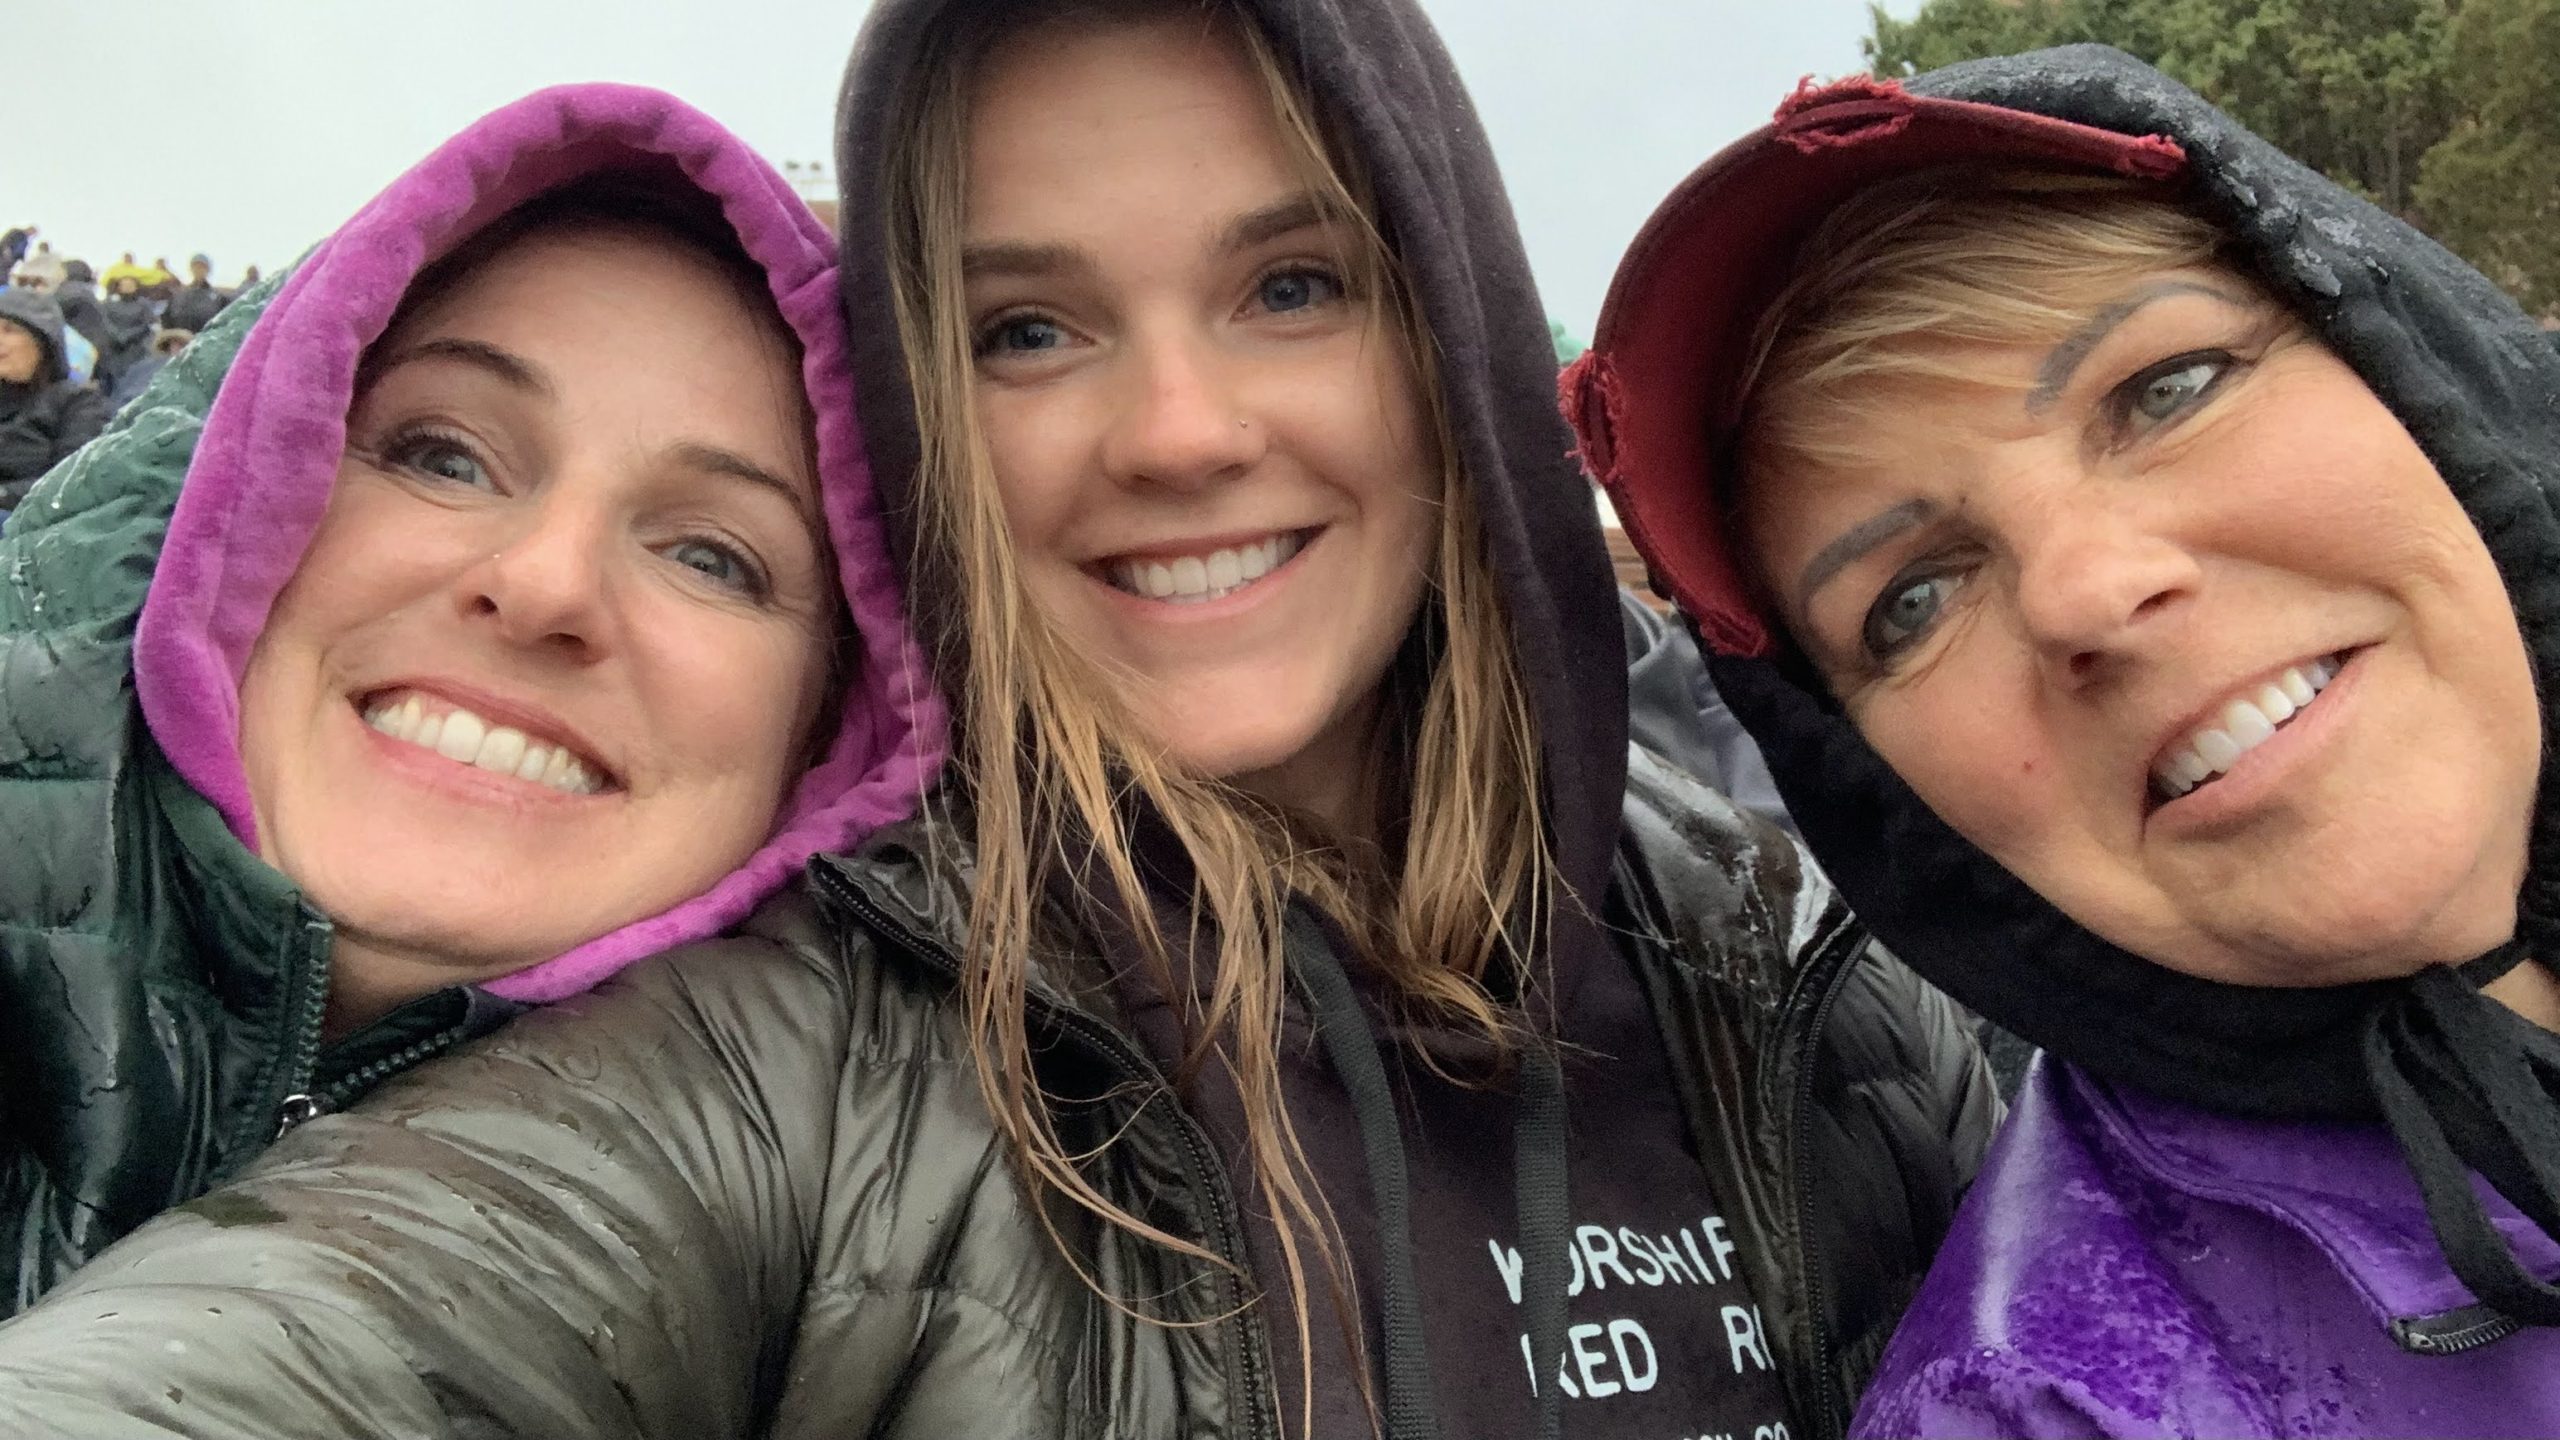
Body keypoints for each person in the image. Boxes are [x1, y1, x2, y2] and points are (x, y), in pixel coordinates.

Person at [0, 2, 1989, 1437]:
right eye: (1025, 329)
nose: (1178, 433)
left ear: (1449, 319)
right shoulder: (802, 1055)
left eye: (1291, 285)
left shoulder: (1817, 968)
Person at [1567, 47, 2560, 1438]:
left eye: (2166, 390)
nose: (2088, 592)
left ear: (2410, 363)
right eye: (1912, 600)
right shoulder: (2042, 1407)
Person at [0, 82, 941, 1314]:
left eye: (713, 555)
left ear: (826, 738)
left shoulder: (865, 1300)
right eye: (443, 456)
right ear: (223, 506)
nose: (546, 583)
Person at [0, 288, 106, 510]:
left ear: (42, 341)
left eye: (9, 330)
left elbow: (70, 481)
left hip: (29, 523)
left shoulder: (77, 402)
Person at [94, 271, 155, 393]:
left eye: (130, 284)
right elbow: (104, 321)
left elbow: (146, 324)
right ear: (118, 286)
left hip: (135, 348)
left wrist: (128, 335)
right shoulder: (108, 303)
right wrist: (116, 335)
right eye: (124, 284)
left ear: (136, 286)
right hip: (113, 348)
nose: (127, 287)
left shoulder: (143, 304)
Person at [162, 254, 226, 334]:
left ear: (208, 270)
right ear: (191, 269)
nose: (199, 270)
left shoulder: (219, 298)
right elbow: (167, 321)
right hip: (181, 342)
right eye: (196, 266)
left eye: (202, 267)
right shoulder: (178, 296)